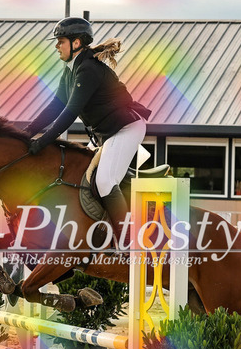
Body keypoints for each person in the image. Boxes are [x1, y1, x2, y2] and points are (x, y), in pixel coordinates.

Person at [23, 17, 151, 248]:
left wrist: (42, 142)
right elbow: (55, 107)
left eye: (60, 41)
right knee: (81, 174)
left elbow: (70, 112)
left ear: (76, 43)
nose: (56, 46)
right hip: (106, 133)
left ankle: (127, 243)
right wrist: (27, 133)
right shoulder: (70, 70)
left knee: (104, 181)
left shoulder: (88, 69)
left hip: (126, 128)